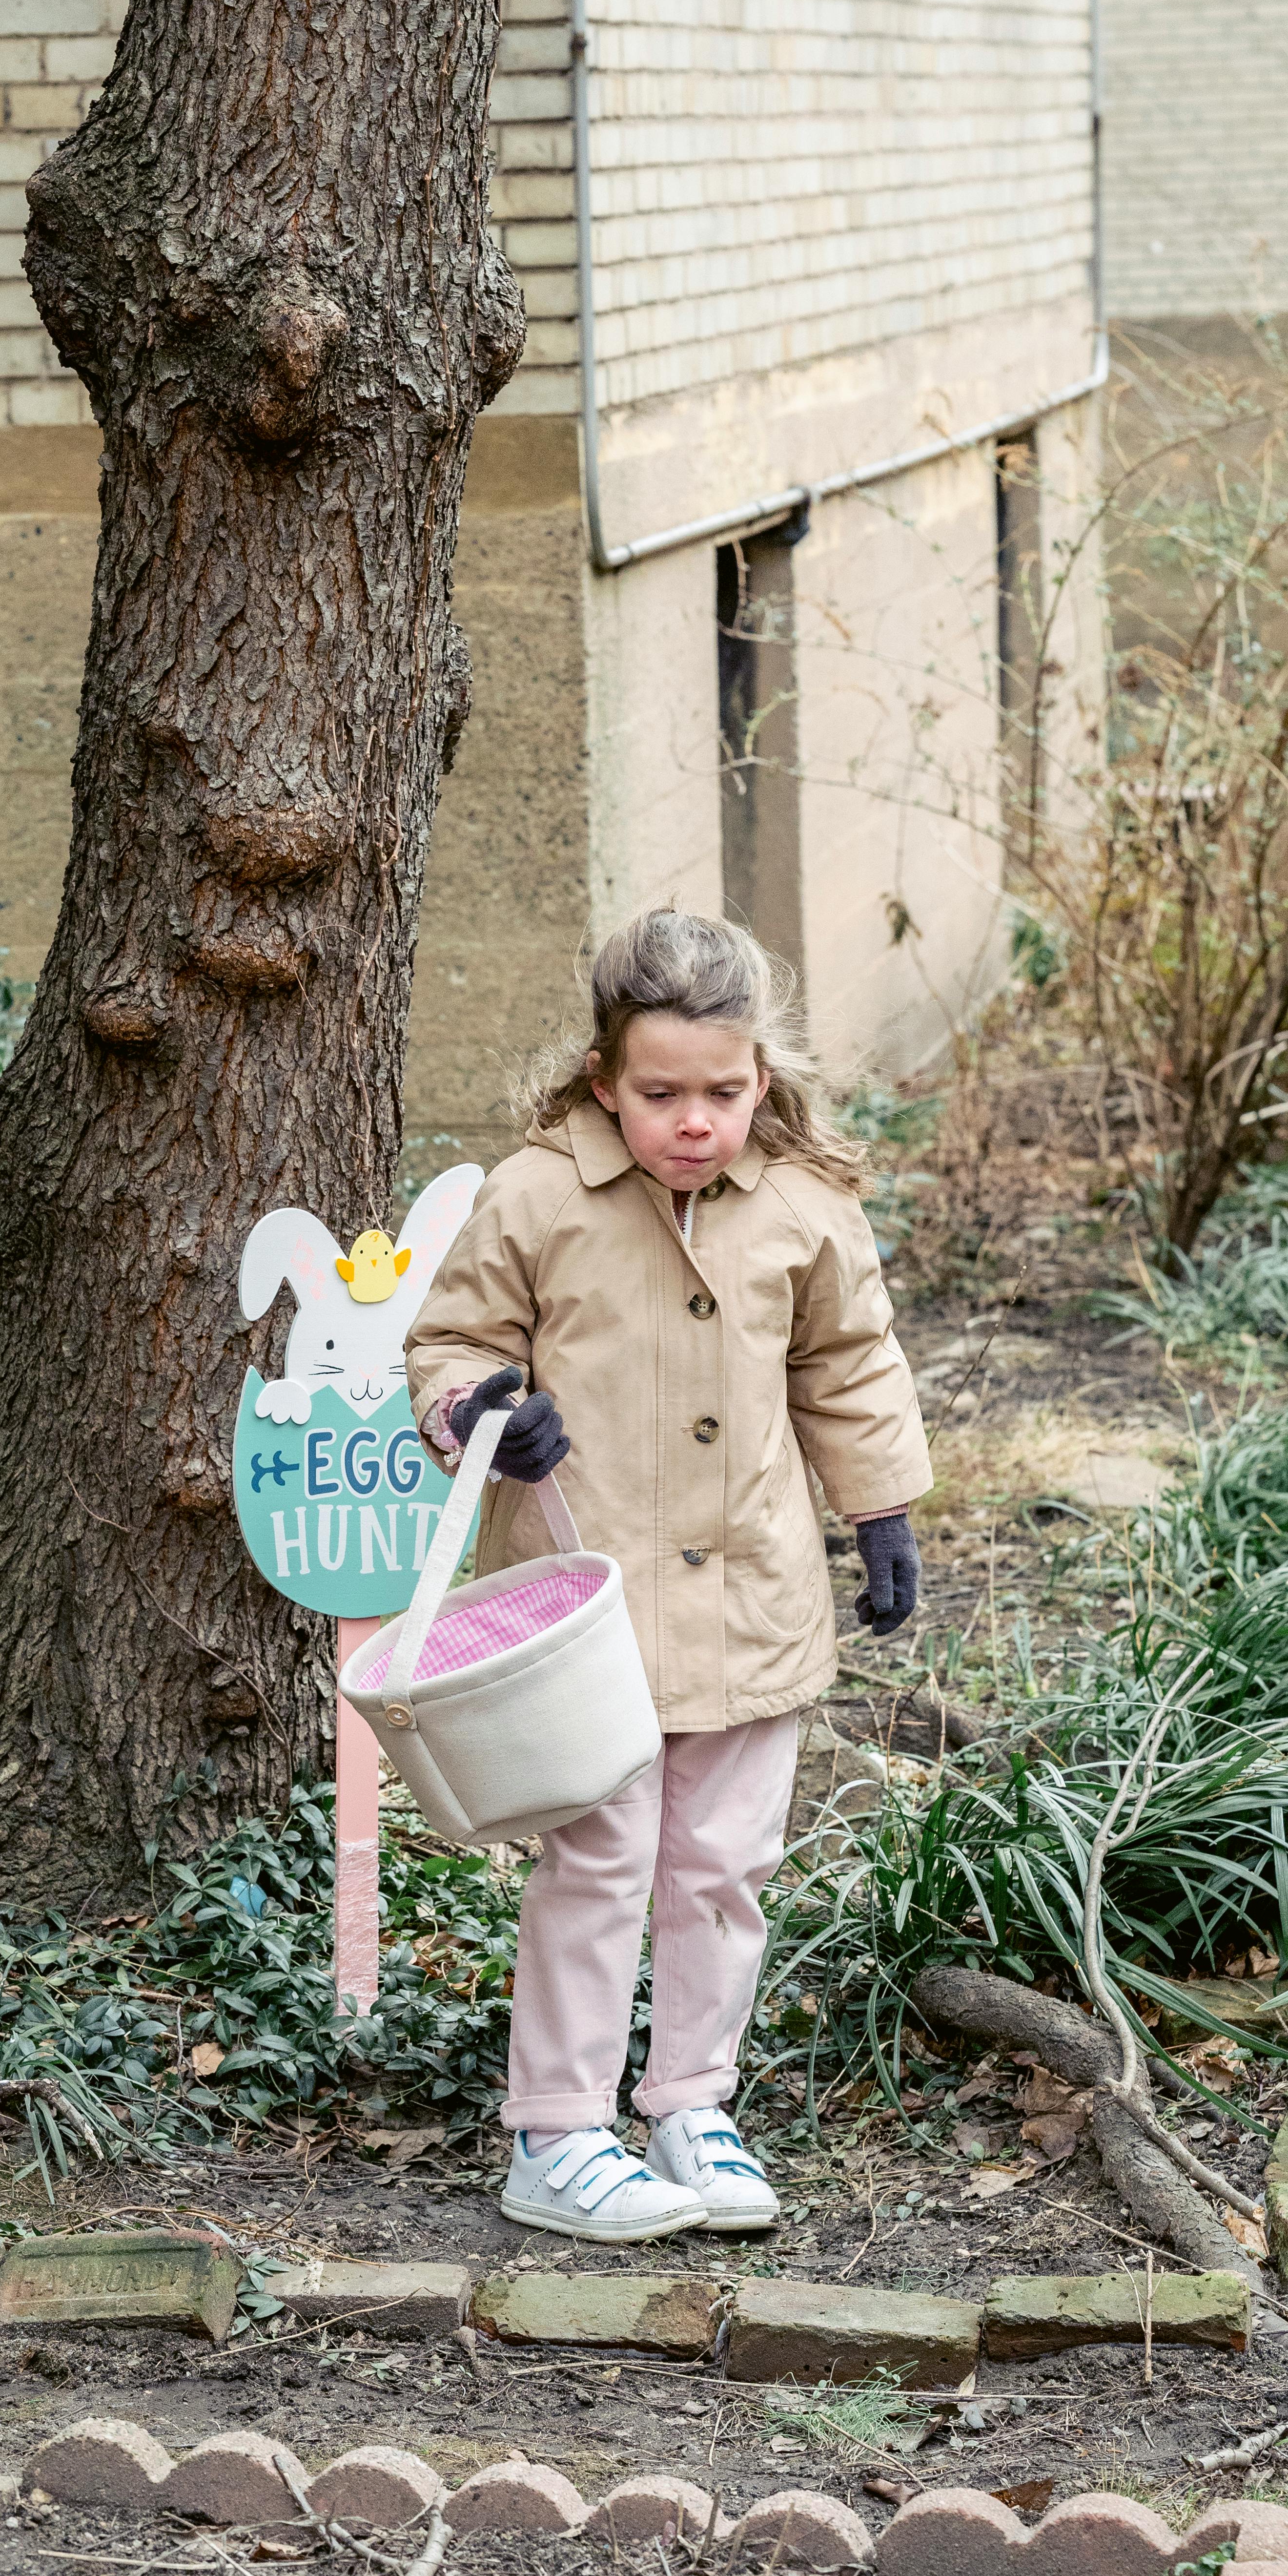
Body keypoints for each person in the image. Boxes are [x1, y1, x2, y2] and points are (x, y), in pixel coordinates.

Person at [405, 908, 931, 2243]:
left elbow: (848, 1366)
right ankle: (557, 2132)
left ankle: (693, 2103)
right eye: (660, 1095)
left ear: (764, 1078)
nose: (695, 1122)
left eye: (725, 1091)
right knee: (597, 1867)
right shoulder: (535, 1195)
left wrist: (881, 1515)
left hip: (753, 1598)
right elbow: (452, 1341)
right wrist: (481, 1415)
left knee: (723, 1867)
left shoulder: (805, 1208)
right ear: (602, 1079)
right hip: (584, 1613)